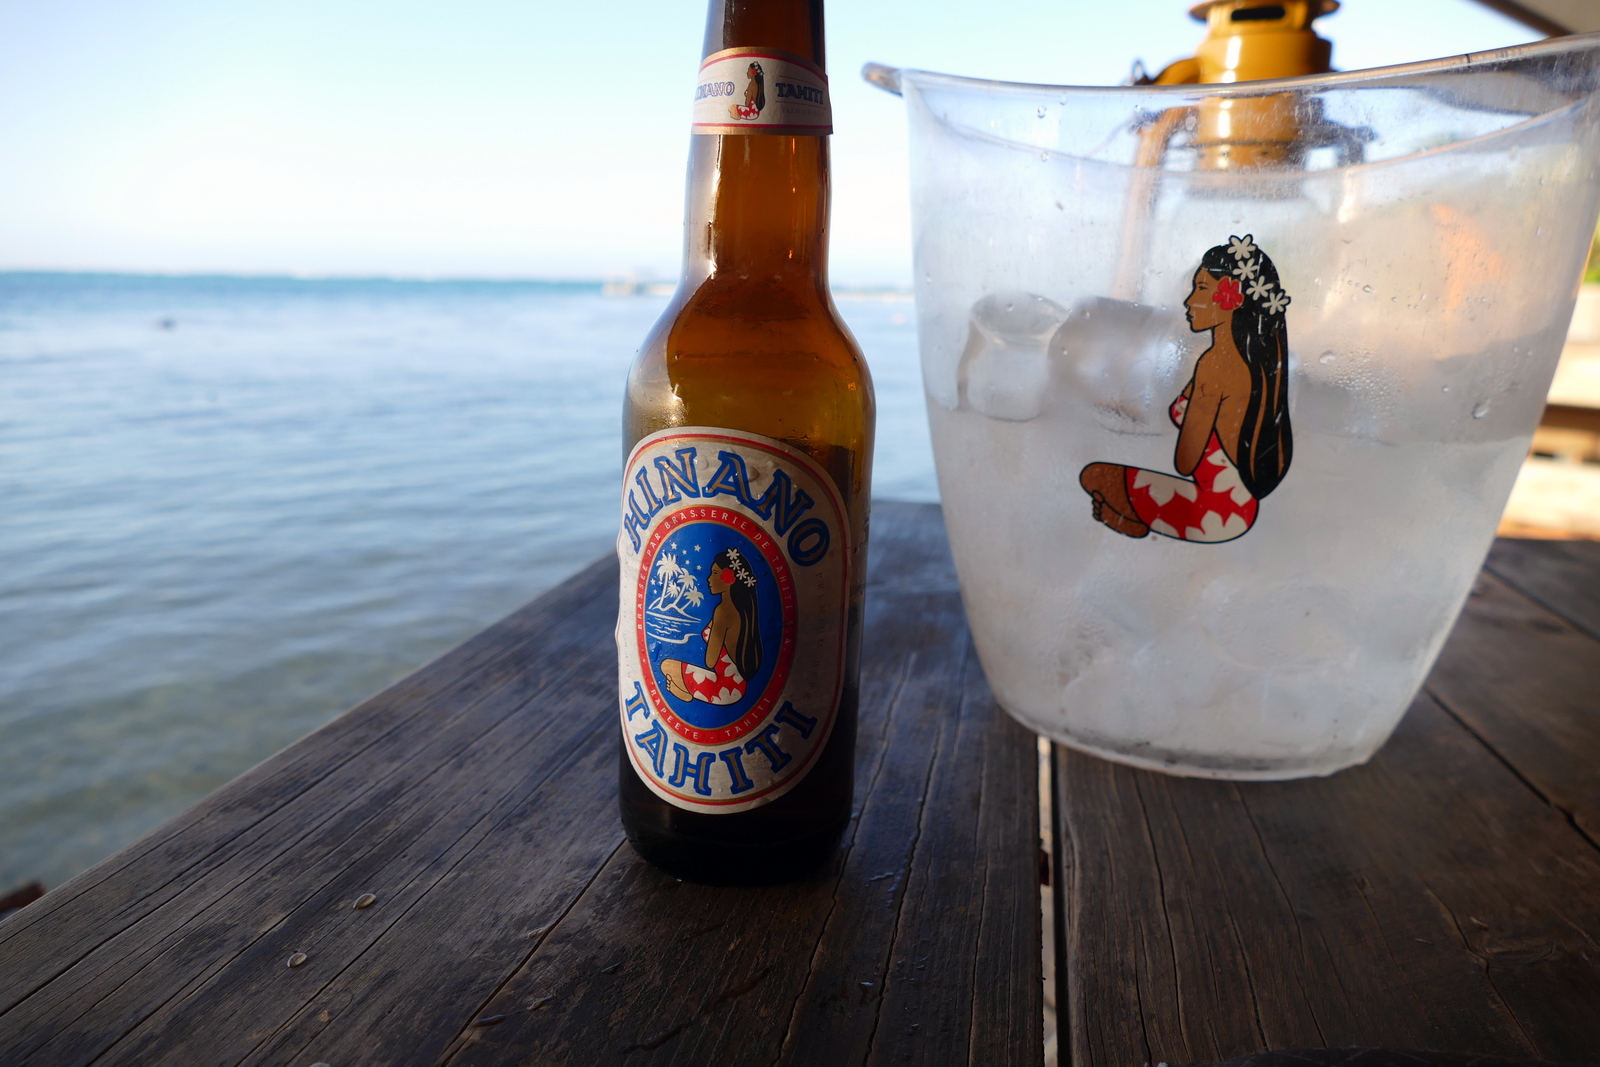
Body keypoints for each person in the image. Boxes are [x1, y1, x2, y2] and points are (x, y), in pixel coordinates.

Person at [1080, 234, 1292, 542]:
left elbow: (1185, 461)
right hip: (1240, 509)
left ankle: (1137, 522)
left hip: (1211, 513)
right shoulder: (1260, 366)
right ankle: (1135, 520)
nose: (1190, 301)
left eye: (1202, 289)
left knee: (1095, 475)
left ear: (1232, 299)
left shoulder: (1215, 367)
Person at [660, 547, 763, 704]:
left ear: (730, 578)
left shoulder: (723, 612)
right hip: (737, 686)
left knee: (667, 665)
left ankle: (683, 692)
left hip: (723, 688)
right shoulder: (742, 610)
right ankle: (684, 690)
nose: (708, 578)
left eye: (714, 573)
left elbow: (710, 661)